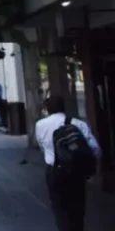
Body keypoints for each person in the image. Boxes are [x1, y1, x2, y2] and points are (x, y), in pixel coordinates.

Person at [35, 95, 101, 231]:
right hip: (76, 171)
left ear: (48, 109)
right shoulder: (78, 123)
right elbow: (95, 148)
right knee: (77, 208)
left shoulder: (40, 125)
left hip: (54, 171)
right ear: (63, 106)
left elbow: (42, 146)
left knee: (59, 209)